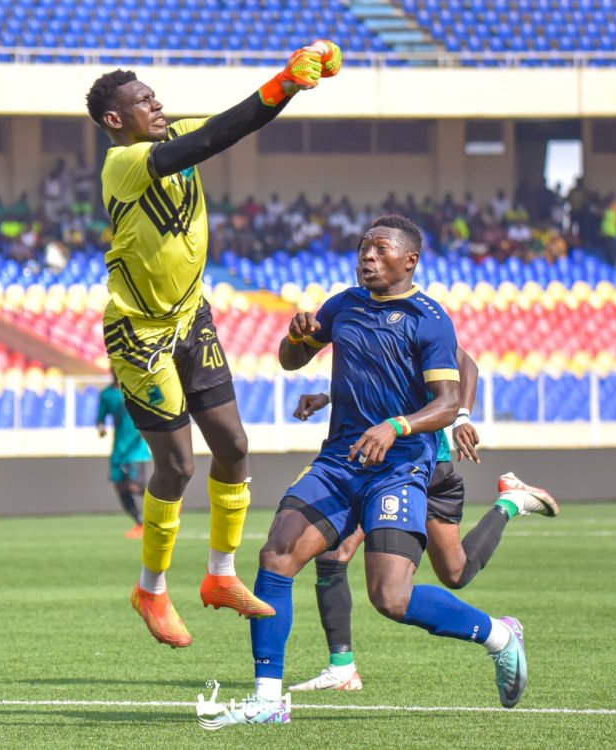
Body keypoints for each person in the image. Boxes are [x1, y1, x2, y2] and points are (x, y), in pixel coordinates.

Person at [197, 215, 531, 730]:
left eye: (379, 249)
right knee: (276, 554)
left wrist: (395, 427)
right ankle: (268, 698)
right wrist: (296, 337)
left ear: (409, 260)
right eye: (362, 249)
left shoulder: (429, 319)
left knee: (391, 598)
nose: (367, 257)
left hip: (399, 468)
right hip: (339, 460)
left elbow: (444, 404)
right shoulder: (342, 305)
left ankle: (499, 637)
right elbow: (291, 361)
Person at [85, 41, 342, 649]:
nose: (157, 104)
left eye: (155, 96)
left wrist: (292, 84)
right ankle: (150, 589)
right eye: (143, 101)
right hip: (139, 333)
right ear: (114, 120)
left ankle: (220, 578)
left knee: (233, 445)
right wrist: (282, 81)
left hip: (190, 318)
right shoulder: (124, 163)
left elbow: (235, 122)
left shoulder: (174, 136)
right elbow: (205, 143)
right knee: (176, 464)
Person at [286, 371, 558, 692]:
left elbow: (465, 364)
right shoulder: (374, 325)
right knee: (337, 553)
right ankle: (342, 668)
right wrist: (329, 396)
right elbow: (373, 378)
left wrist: (461, 419)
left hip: (423, 464)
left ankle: (510, 503)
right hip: (381, 464)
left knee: (455, 573)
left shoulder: (423, 322)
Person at [97, 373, 152, 539]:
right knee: (120, 486)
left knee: (135, 486)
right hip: (118, 449)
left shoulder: (136, 388)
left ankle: (167, 498)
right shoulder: (106, 394)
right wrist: (101, 428)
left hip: (135, 447)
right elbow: (100, 418)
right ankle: (140, 522)